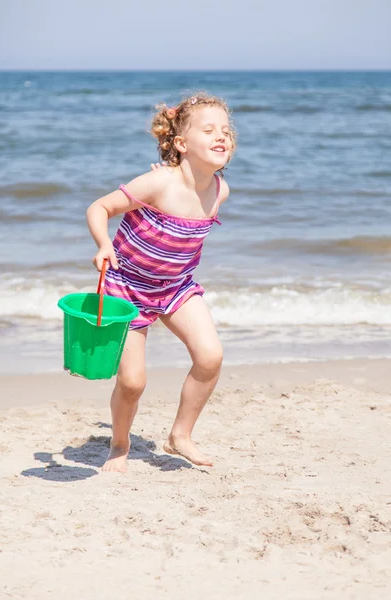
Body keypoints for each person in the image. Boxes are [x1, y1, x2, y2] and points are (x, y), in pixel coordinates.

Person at [86, 93, 236, 472]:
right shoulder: (158, 183)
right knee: (133, 382)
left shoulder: (219, 190)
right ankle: (120, 443)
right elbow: (99, 207)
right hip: (125, 286)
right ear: (182, 144)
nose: (221, 137)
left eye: (226, 131)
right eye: (209, 130)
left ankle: (179, 436)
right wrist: (105, 244)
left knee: (210, 356)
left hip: (175, 287)